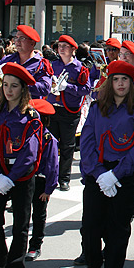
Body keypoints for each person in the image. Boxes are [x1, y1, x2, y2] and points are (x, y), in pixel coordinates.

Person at [79, 60, 134, 268]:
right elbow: (87, 143)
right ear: (109, 83)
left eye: (125, 80)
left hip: (123, 176)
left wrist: (115, 175)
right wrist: (99, 174)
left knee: (118, 232)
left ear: (131, 83)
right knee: (90, 230)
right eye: (116, 79)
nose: (120, 84)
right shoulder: (97, 108)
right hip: (97, 175)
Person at [0, 62, 43, 268]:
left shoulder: (31, 117)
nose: (8, 90)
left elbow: (30, 153)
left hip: (22, 176)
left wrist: (11, 177)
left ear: (23, 89)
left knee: (20, 224)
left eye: (14, 86)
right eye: (5, 85)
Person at [46, 35, 91, 191]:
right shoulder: (53, 65)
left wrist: (68, 87)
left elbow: (86, 89)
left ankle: (64, 178)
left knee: (67, 146)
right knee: (50, 145)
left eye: (65, 46)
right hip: (52, 108)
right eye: (60, 46)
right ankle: (49, 175)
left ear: (73, 50)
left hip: (69, 111)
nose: (61, 49)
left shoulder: (80, 68)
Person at [25, 99, 59, 262]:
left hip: (40, 181)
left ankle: (35, 245)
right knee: (23, 214)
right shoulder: (26, 134)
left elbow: (52, 166)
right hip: (24, 179)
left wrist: (49, 189)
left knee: (38, 215)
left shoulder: (48, 139)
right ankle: (21, 246)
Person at [0, 25, 52, 99]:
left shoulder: (41, 64)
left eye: (22, 38)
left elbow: (45, 88)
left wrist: (22, 85)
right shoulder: (7, 60)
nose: (17, 41)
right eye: (16, 38)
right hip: (6, 106)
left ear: (32, 43)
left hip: (28, 106)